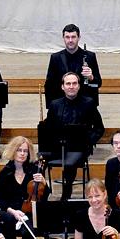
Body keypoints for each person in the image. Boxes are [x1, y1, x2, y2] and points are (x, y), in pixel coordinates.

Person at [41, 72, 105, 200]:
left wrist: (88, 141)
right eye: (68, 84)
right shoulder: (55, 104)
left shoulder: (89, 103)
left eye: (74, 83)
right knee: (38, 161)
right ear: (62, 87)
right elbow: (48, 128)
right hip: (58, 146)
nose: (71, 86)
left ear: (79, 86)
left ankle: (65, 196)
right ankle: (42, 193)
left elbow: (99, 128)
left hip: (79, 147)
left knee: (69, 163)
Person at [0, 136, 49, 239]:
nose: (22, 154)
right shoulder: (5, 173)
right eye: (19, 150)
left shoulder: (34, 171)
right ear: (13, 151)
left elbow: (44, 196)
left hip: (29, 213)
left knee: (29, 235)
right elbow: (0, 200)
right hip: (10, 214)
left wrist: (44, 183)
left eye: (25, 151)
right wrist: (12, 212)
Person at [44, 23, 101, 106]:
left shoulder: (90, 56)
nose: (70, 40)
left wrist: (91, 77)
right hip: (62, 105)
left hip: (84, 105)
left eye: (73, 37)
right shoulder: (55, 58)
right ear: (63, 38)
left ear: (79, 38)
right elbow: (49, 85)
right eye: (67, 37)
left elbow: (98, 84)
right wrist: (52, 108)